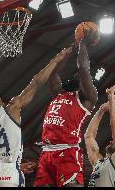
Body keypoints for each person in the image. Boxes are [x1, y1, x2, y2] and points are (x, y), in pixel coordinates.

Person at [0, 47, 72, 187]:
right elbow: (36, 83)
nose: (0, 99)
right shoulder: (9, 110)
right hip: (6, 174)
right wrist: (56, 60)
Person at [34, 33, 99, 187]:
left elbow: (83, 69)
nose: (76, 76)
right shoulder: (60, 93)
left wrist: (83, 44)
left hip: (67, 153)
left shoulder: (88, 98)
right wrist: (70, 51)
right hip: (46, 153)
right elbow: (53, 74)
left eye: (81, 78)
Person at [85, 81, 115, 187]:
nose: (111, 141)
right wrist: (101, 111)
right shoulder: (98, 162)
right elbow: (89, 136)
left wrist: (111, 97)